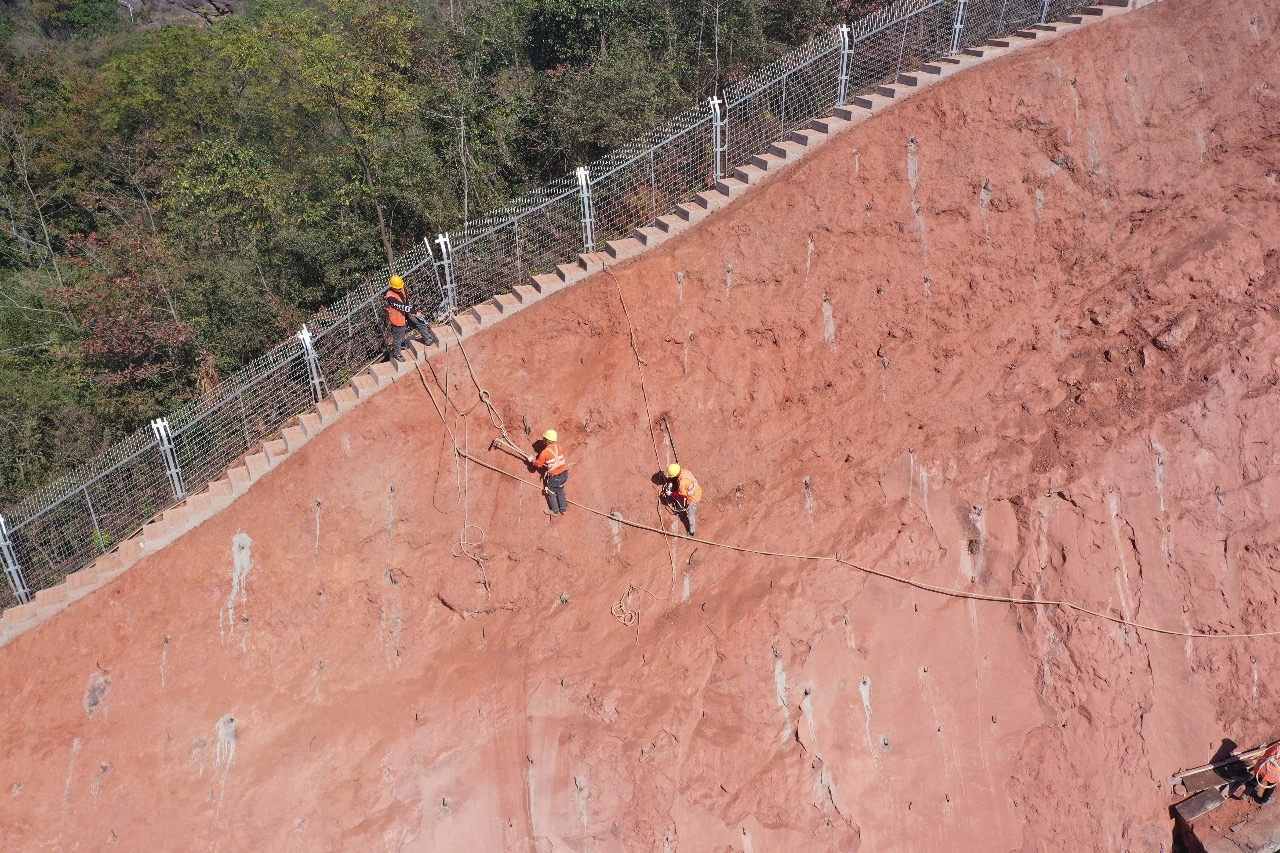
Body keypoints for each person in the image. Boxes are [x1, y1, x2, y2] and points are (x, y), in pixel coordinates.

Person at [384, 275, 438, 362]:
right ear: (392, 287)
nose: (400, 289)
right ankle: (397, 354)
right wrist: (415, 312)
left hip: (407, 314)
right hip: (397, 320)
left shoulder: (402, 289)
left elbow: (406, 302)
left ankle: (428, 339)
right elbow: (401, 306)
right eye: (398, 288)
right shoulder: (390, 297)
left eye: (400, 287)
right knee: (398, 338)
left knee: (420, 322)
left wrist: (412, 312)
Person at [528, 429, 569, 515]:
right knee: (560, 490)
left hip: (556, 477)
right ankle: (563, 509)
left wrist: (532, 460)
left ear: (546, 440)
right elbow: (556, 458)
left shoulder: (544, 453)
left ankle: (555, 511)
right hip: (565, 474)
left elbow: (538, 465)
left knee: (550, 492)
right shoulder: (558, 447)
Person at [662, 462, 702, 536]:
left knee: (690, 516)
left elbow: (681, 495)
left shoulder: (683, 483)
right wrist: (671, 482)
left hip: (694, 498)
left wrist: (670, 493)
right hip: (696, 489)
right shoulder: (684, 471)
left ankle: (691, 532)